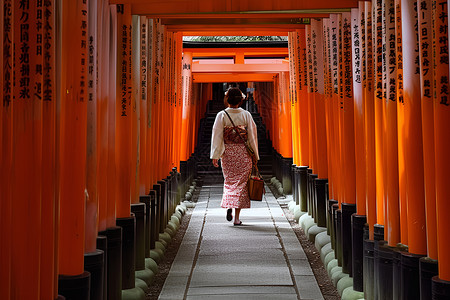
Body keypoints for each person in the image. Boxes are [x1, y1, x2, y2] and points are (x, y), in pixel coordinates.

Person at [210, 87, 259, 225]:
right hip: (243, 154)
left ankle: (229, 204)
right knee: (241, 184)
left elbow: (217, 136)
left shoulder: (221, 115)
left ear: (227, 99)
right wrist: (254, 154)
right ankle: (237, 218)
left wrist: (215, 155)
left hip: (228, 153)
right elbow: (252, 137)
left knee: (230, 182)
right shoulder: (246, 115)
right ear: (241, 100)